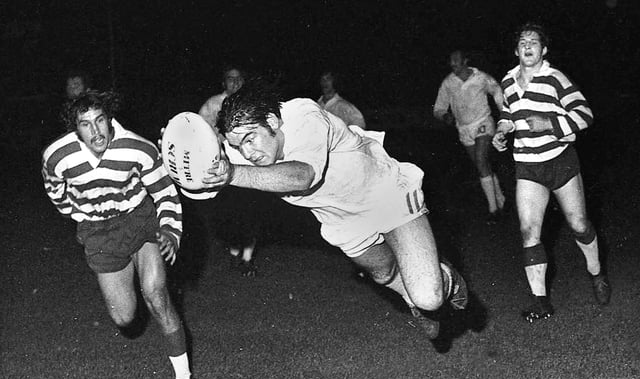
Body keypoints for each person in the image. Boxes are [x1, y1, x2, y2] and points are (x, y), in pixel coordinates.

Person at [200, 83, 470, 341]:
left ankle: (446, 279)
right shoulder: (244, 146)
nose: (247, 153)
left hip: (384, 192)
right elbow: (203, 176)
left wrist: (233, 174)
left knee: (429, 297)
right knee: (383, 274)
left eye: (250, 140)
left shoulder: (303, 116)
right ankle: (413, 298)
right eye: (238, 147)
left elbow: (302, 177)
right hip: (341, 220)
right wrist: (180, 154)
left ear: (272, 121)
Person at [42, 91, 206, 379]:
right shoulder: (58, 155)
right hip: (100, 234)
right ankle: (126, 264)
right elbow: (54, 188)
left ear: (109, 118)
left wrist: (170, 232)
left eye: (100, 120)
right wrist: (77, 212)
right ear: (74, 128)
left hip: (139, 219)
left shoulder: (137, 148)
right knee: (124, 317)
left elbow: (165, 192)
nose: (96, 131)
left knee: (156, 293)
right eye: (86, 124)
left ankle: (184, 378)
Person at [492, 23, 611, 322]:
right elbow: (508, 114)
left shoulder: (555, 79)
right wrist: (502, 130)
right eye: (522, 42)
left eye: (534, 42)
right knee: (529, 231)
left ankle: (596, 273)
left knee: (579, 224)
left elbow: (585, 114)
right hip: (527, 165)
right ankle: (540, 301)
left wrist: (550, 126)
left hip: (560, 162)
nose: (528, 46)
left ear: (543, 50)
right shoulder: (507, 81)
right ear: (516, 50)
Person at [194, 65, 262, 276]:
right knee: (231, 215)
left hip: (250, 168)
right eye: (231, 79)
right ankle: (234, 253)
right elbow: (198, 130)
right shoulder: (213, 104)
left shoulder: (252, 103)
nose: (235, 83)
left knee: (251, 215)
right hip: (225, 170)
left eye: (239, 78)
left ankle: (247, 258)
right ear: (224, 82)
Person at [434, 50, 506, 223]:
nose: (453, 64)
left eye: (456, 61)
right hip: (464, 128)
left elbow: (497, 91)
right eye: (451, 61)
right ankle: (500, 197)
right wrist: (445, 116)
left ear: (465, 61)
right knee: (482, 165)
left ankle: (493, 210)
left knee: (481, 160)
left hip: (483, 123)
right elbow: (438, 108)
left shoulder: (481, 77)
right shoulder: (448, 83)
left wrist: (505, 114)